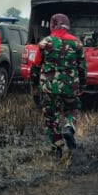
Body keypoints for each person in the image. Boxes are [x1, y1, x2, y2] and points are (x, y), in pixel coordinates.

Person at [30, 13, 87, 163]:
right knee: (73, 108)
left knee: (51, 118)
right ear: (67, 25)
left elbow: (35, 66)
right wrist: (82, 85)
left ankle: (57, 149)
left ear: (52, 25)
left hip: (48, 87)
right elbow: (82, 68)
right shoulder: (77, 43)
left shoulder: (45, 43)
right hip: (70, 86)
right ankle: (69, 127)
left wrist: (34, 85)